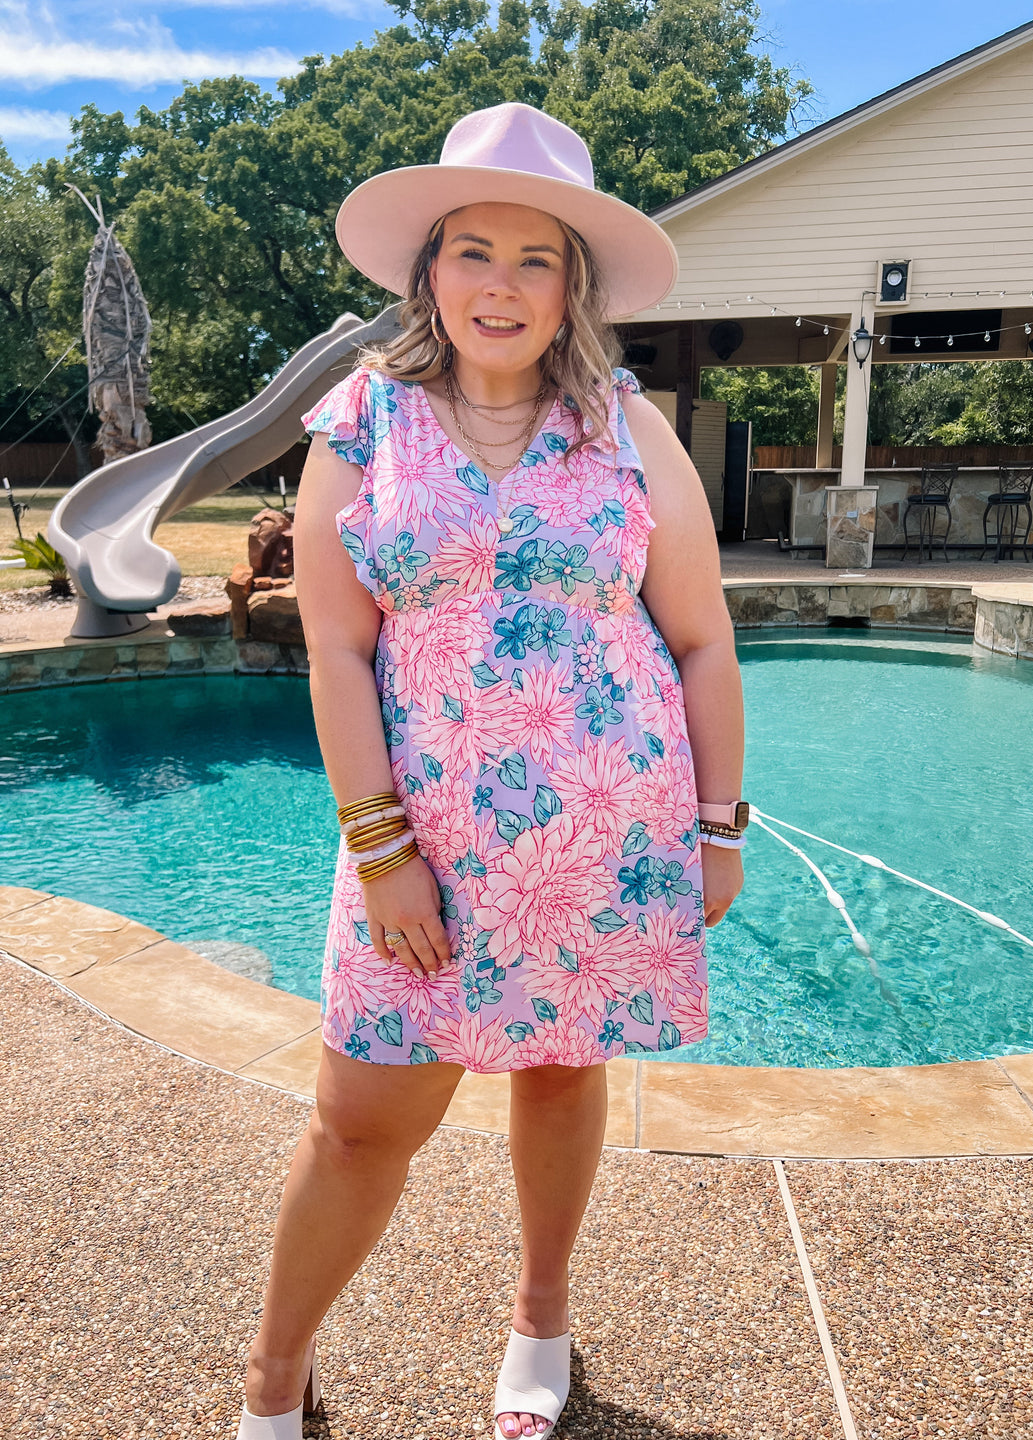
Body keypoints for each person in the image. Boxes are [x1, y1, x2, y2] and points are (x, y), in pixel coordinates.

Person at [235, 101, 746, 1440]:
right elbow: (336, 655)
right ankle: (274, 1376)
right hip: (429, 854)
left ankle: (542, 1313)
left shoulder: (634, 433)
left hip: (603, 845)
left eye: (536, 257)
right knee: (356, 1122)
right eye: (474, 251)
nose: (502, 285)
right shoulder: (359, 427)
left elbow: (700, 639)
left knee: (563, 1074)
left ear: (572, 283)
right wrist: (382, 850)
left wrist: (719, 828)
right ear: (430, 269)